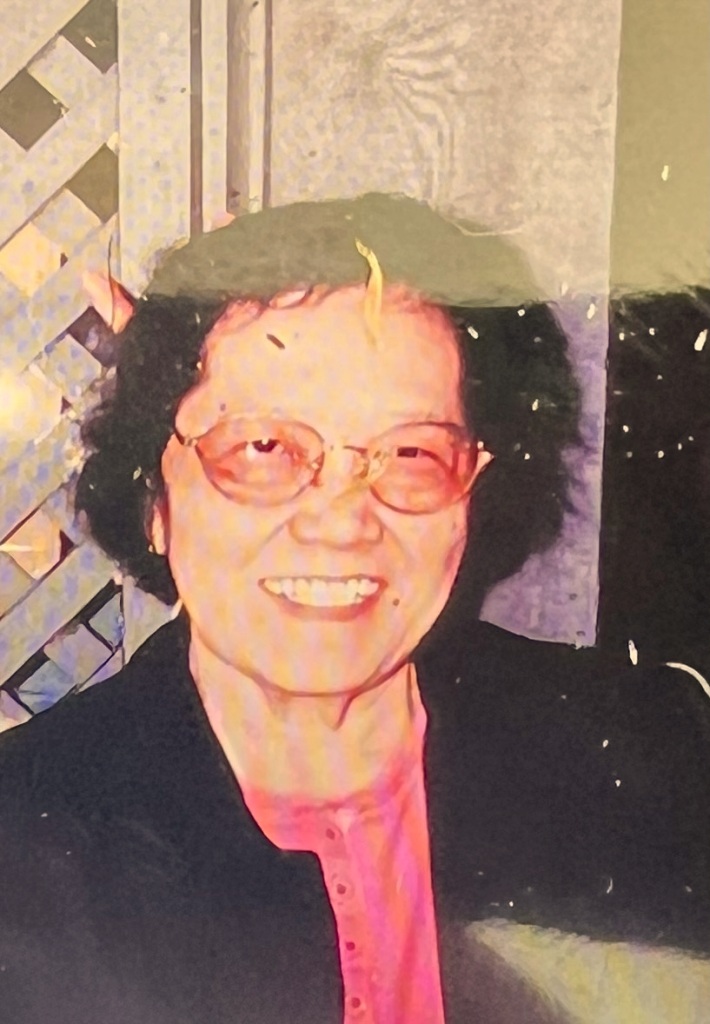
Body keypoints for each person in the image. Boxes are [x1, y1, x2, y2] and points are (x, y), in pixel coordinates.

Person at [0, 194, 708, 1024]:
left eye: (410, 452)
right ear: (154, 498)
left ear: (473, 491)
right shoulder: (26, 846)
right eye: (264, 448)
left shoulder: (649, 755)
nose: (341, 522)